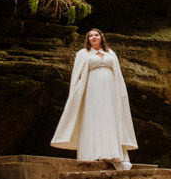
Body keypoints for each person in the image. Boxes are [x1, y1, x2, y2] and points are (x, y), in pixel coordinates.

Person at [50, 28, 139, 169]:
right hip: (91, 92)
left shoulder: (111, 53)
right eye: (90, 36)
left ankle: (114, 154)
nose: (93, 37)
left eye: (96, 35)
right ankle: (92, 153)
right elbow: (76, 76)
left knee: (110, 118)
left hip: (110, 92)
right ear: (88, 39)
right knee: (92, 117)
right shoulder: (82, 54)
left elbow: (118, 75)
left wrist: (121, 94)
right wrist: (75, 94)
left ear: (101, 37)